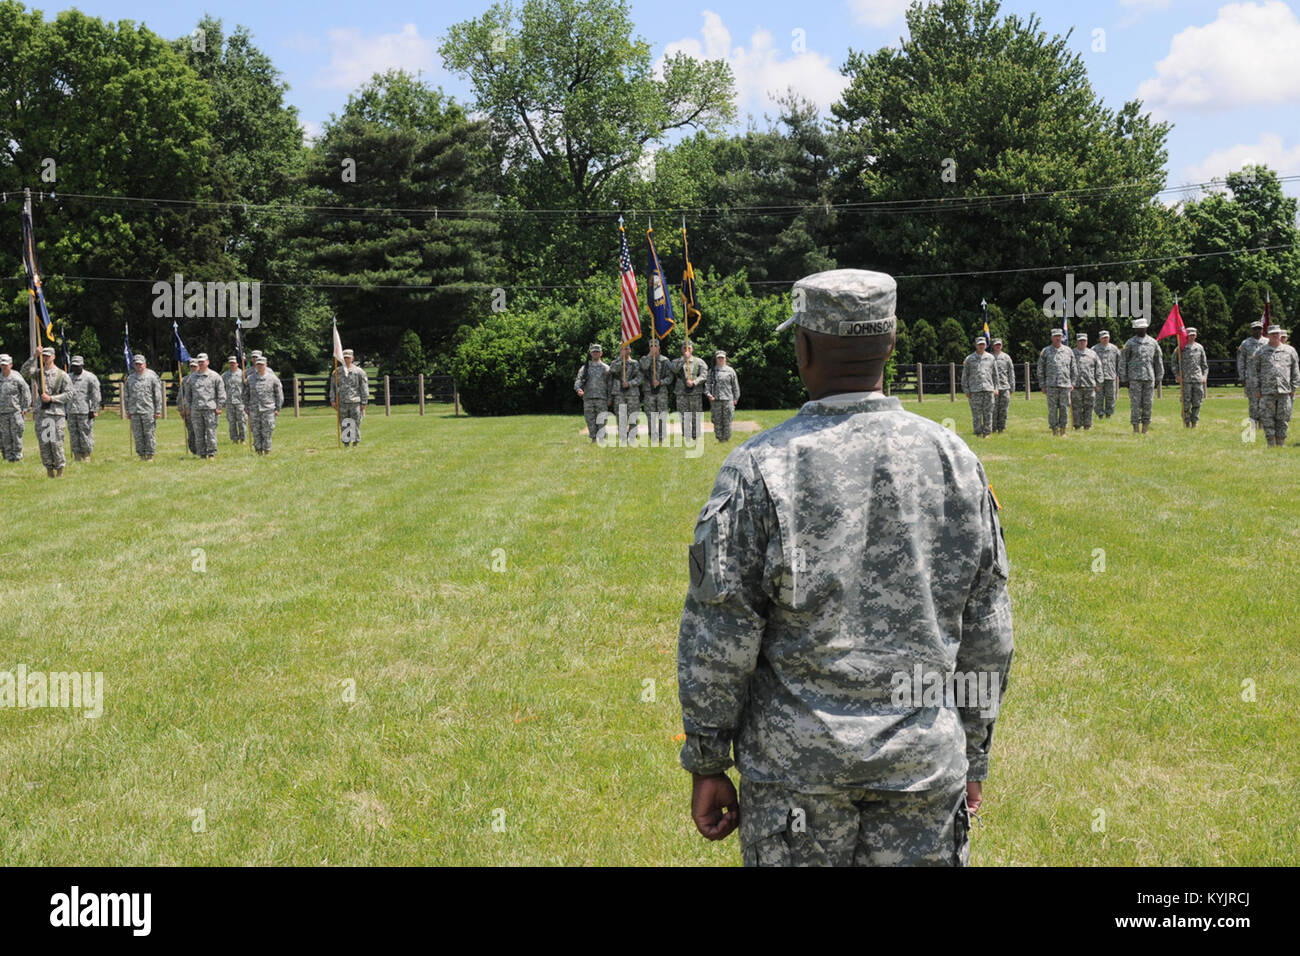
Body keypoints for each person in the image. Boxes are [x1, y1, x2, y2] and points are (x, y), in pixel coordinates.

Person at [678, 268, 1013, 867]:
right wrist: (975, 754)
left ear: (803, 348)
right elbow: (988, 632)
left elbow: (720, 631)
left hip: (797, 781)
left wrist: (707, 759)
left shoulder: (759, 468)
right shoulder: (956, 461)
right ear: (891, 342)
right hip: (922, 768)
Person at [1251, 325, 1299, 447]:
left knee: (1283, 419)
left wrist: (1294, 388)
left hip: (1284, 391)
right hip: (1267, 391)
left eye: (1277, 333)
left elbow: (1295, 370)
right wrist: (1257, 389)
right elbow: (1254, 372)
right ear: (1268, 335)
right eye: (1273, 334)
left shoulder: (1290, 351)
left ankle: (1281, 443)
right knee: (1267, 419)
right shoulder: (1261, 352)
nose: (1275, 336)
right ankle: (1271, 443)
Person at [1119, 317, 1164, 434]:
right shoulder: (1130, 343)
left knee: (1148, 404)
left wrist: (1159, 377)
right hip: (1134, 379)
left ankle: (1145, 429)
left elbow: (1158, 361)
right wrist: (1124, 378)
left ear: (1146, 328)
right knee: (1135, 405)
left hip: (1149, 378)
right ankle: (1135, 429)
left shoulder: (1153, 343)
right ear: (1136, 329)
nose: (1141, 330)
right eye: (1139, 328)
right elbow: (1123, 361)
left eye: (1143, 328)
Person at [32, 346, 70, 477]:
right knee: (44, 443)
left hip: (56, 414)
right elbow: (24, 371)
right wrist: (34, 356)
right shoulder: (38, 373)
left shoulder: (62, 374)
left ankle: (60, 471)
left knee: (56, 442)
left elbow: (70, 394)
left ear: (53, 357)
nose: (46, 358)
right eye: (44, 356)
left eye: (48, 355)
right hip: (42, 414)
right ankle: (49, 471)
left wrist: (52, 398)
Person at [181, 352, 225, 459]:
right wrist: (188, 408)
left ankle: (211, 453)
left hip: (210, 409)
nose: (200, 364)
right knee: (198, 433)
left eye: (202, 362)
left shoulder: (215, 376)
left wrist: (219, 407)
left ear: (207, 362)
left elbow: (221, 393)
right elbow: (187, 395)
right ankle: (202, 454)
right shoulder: (192, 378)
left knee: (210, 432)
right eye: (199, 362)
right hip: (196, 410)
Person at [125, 354, 164, 460]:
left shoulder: (152, 376)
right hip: (135, 410)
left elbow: (157, 394)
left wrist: (158, 410)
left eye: (140, 364)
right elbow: (126, 395)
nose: (138, 366)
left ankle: (150, 455)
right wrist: (127, 410)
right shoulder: (130, 378)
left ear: (145, 364)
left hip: (148, 410)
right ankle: (141, 455)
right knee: (138, 435)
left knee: (149, 434)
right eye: (136, 364)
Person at [1037, 328, 1075, 436]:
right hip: (1051, 385)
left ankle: (1063, 431)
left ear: (1062, 337)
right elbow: (1040, 369)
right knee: (1052, 409)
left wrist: (1073, 383)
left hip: (1065, 385)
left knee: (1064, 408)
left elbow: (1073, 368)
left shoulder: (1068, 351)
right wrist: (1042, 385)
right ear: (1051, 338)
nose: (1058, 338)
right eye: (1055, 336)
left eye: (1059, 336)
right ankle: (1054, 430)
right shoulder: (1046, 351)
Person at [244, 355, 284, 454]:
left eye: (262, 364)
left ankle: (267, 450)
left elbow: (279, 395)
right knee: (256, 431)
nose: (260, 366)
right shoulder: (250, 378)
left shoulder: (273, 378)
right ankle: (258, 450)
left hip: (268, 409)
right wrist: (246, 407)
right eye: (258, 364)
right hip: (254, 409)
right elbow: (245, 394)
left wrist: (277, 409)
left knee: (267, 431)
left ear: (266, 365)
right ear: (256, 365)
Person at [329, 349, 370, 447]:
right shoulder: (337, 372)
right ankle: (346, 443)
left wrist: (364, 402)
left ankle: (355, 442)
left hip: (355, 401)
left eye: (348, 357)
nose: (347, 359)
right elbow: (333, 387)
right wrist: (333, 399)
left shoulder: (359, 372)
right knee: (344, 423)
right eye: (345, 357)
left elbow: (364, 387)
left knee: (355, 423)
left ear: (352, 358)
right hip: (342, 402)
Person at [65, 355, 101, 462]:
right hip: (71, 410)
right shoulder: (68, 377)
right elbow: (64, 394)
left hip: (85, 411)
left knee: (85, 433)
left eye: (78, 366)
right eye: (74, 366)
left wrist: (94, 409)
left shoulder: (90, 377)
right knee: (73, 434)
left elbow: (96, 395)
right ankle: (76, 455)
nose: (75, 368)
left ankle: (86, 455)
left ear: (82, 365)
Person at [573, 344, 610, 443]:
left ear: (601, 353)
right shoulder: (585, 368)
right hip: (588, 397)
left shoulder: (606, 368)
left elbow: (610, 384)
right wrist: (578, 389)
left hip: (602, 397)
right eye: (593, 352)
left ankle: (601, 438)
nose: (595, 353)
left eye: (597, 352)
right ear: (591, 353)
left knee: (602, 419)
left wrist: (610, 398)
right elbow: (578, 380)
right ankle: (594, 438)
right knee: (590, 419)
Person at [639, 339, 675, 444]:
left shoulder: (665, 360)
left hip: (661, 391)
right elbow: (644, 367)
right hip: (648, 391)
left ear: (659, 347)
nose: (653, 347)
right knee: (650, 415)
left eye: (655, 346)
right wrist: (650, 355)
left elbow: (670, 377)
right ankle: (652, 436)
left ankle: (662, 436)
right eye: (651, 346)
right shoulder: (644, 359)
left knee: (662, 414)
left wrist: (660, 382)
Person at [960, 337, 996, 438]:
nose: (981, 346)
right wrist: (966, 389)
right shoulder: (969, 359)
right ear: (976, 345)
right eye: (979, 344)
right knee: (976, 414)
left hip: (988, 389)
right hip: (975, 391)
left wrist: (996, 388)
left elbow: (995, 375)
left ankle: (987, 433)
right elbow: (965, 376)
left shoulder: (991, 358)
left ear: (986, 345)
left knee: (988, 413)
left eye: (983, 344)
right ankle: (978, 433)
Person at [607, 342, 642, 445]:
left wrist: (630, 383)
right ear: (619, 351)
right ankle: (622, 436)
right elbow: (612, 371)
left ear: (630, 350)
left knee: (633, 415)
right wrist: (620, 360)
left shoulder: (635, 363)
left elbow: (640, 378)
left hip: (632, 393)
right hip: (619, 393)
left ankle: (632, 435)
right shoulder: (615, 363)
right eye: (623, 349)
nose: (625, 351)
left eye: (627, 349)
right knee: (620, 415)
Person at [0, 354, 32, 463]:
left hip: (15, 412)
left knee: (16, 435)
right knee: (5, 436)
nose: (4, 367)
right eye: (2, 365)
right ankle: (8, 458)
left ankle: (17, 457)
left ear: (11, 365)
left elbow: (26, 391)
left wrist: (25, 407)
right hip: (2, 413)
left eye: (6, 365)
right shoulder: (0, 377)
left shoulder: (16, 377)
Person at [674, 343, 709, 443]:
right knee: (683, 415)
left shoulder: (699, 361)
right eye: (684, 348)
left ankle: (696, 436)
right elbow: (674, 370)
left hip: (695, 392)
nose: (686, 350)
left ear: (692, 349)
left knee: (695, 415)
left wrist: (694, 382)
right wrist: (683, 360)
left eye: (688, 348)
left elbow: (704, 374)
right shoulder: (677, 361)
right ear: (681, 349)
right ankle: (686, 436)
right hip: (681, 393)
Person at [1177, 328, 1209, 427]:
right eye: (1190, 335)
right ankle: (1186, 422)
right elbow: (1174, 363)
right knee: (1185, 403)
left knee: (1197, 402)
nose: (1192, 337)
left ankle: (1194, 423)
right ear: (1186, 335)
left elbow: (1204, 365)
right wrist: (1177, 375)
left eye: (1193, 335)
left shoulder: (1199, 348)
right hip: (1185, 380)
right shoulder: (1181, 348)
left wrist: (1204, 376)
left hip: (1197, 379)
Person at [1237, 319, 1266, 427]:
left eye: (1259, 328)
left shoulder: (1267, 342)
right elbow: (1241, 361)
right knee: (1253, 403)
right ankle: (1253, 424)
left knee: (1264, 403)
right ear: (1251, 330)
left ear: (1262, 330)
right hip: (1251, 378)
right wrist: (1242, 377)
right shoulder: (1245, 343)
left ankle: (1262, 424)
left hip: (1265, 378)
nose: (1257, 331)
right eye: (1255, 329)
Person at [1070, 332, 1102, 430]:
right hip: (1076, 386)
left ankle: (1088, 426)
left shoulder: (1093, 354)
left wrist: (1098, 383)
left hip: (1089, 385)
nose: (1082, 343)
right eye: (1080, 341)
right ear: (1077, 342)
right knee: (1076, 407)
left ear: (1087, 341)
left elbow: (1099, 369)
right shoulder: (1071, 353)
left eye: (1084, 341)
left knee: (1089, 407)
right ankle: (1077, 426)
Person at [707, 350, 740, 442]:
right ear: (716, 359)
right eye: (719, 358)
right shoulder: (712, 371)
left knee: (727, 419)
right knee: (717, 420)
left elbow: (735, 386)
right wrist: (709, 395)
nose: (720, 359)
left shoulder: (730, 371)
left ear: (725, 359)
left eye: (722, 358)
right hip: (715, 400)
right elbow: (708, 385)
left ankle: (727, 439)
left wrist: (736, 398)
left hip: (728, 399)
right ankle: (720, 439)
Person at [1092, 330, 1121, 419]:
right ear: (1100, 338)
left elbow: (1119, 362)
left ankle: (1109, 414)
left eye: (1107, 337)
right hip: (1098, 378)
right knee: (1098, 397)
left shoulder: (1114, 349)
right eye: (1103, 338)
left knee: (1110, 397)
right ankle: (1100, 414)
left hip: (1111, 376)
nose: (1105, 339)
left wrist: (1118, 374)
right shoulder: (1094, 349)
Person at [990, 339, 1015, 433]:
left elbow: (1011, 372)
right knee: (993, 409)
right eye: (996, 345)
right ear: (993, 346)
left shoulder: (1006, 357)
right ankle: (993, 428)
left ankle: (1002, 428)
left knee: (1003, 409)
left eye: (999, 345)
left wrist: (1012, 387)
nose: (998, 346)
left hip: (1005, 387)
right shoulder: (989, 357)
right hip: (993, 388)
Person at [223, 356, 247, 444]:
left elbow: (247, 387)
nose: (232, 364)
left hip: (240, 402)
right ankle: (234, 439)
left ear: (237, 363)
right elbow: (221, 387)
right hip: (229, 402)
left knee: (242, 421)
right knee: (231, 422)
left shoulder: (243, 374)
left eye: (233, 362)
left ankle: (243, 439)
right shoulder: (225, 375)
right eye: (230, 363)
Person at [180, 357, 199, 455]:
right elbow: (181, 396)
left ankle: (202, 449)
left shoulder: (202, 378)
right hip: (188, 410)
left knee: (201, 430)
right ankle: (193, 449)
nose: (193, 368)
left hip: (200, 409)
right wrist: (181, 409)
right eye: (191, 366)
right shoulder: (185, 380)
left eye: (195, 366)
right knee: (191, 431)